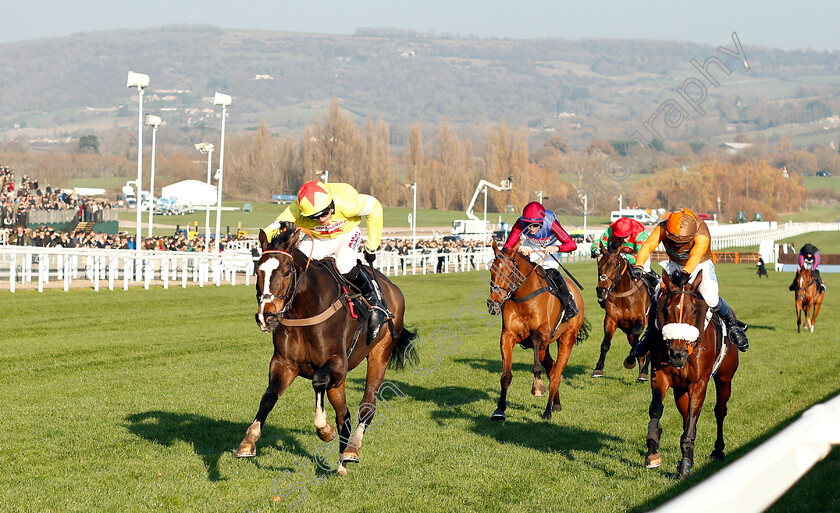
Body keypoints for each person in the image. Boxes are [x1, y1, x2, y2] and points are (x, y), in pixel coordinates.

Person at [264, 180, 389, 340]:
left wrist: (371, 246)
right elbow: (270, 230)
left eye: (324, 213)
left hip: (347, 234)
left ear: (332, 205)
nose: (322, 219)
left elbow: (375, 208)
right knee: (298, 264)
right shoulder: (295, 210)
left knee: (344, 265)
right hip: (319, 239)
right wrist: (283, 228)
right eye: (315, 217)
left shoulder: (347, 203)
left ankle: (375, 302)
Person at [632, 207, 749, 353]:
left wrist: (686, 272)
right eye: (673, 241)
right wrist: (639, 265)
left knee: (710, 297)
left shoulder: (702, 232)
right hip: (675, 265)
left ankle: (733, 326)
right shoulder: (663, 227)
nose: (677, 245)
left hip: (700, 265)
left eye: (682, 243)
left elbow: (695, 256)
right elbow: (648, 245)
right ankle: (650, 334)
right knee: (658, 294)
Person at [502, 201, 578, 320]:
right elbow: (508, 245)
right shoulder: (520, 222)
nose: (531, 228)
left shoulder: (551, 223)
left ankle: (569, 303)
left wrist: (557, 248)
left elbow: (572, 244)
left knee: (550, 272)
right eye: (528, 224)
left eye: (535, 225)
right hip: (530, 245)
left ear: (542, 222)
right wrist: (520, 250)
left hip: (551, 246)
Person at [590, 216, 659, 299]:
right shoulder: (611, 229)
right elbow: (599, 242)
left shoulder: (640, 232)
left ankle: (655, 290)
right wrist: (596, 249)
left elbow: (641, 254)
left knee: (645, 270)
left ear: (631, 232)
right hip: (620, 252)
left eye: (626, 237)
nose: (625, 240)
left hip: (639, 252)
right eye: (621, 237)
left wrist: (627, 258)